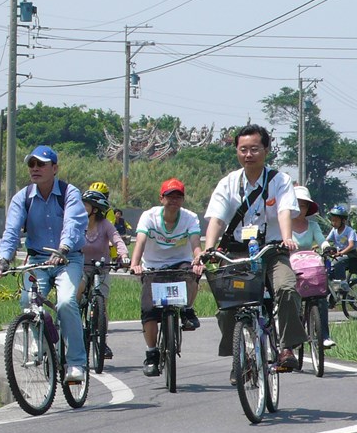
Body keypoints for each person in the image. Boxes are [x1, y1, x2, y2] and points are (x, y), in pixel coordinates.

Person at [202, 123, 307, 379]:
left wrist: (286, 239)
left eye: (254, 149)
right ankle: (239, 354)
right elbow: (216, 218)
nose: (248, 154)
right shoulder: (228, 183)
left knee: (285, 288)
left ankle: (287, 347)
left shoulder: (279, 180)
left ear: (266, 150)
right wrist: (208, 249)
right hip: (237, 253)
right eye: (243, 149)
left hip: (271, 250)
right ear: (237, 151)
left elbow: (284, 211)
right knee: (228, 304)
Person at [0, 145, 88, 383]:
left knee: (66, 302)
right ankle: (43, 341)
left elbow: (73, 225)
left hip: (68, 258)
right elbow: (11, 231)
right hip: (37, 260)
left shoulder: (69, 193)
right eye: (31, 165)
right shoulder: (22, 197)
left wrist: (63, 249)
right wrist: (4, 258)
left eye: (41, 164)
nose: (35, 169)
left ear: (54, 168)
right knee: (28, 302)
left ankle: (76, 364)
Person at [131, 178, 204, 377]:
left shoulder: (190, 218)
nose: (174, 200)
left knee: (192, 274)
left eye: (178, 196)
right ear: (161, 198)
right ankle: (152, 353)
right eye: (170, 196)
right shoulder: (149, 216)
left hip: (179, 262)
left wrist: (198, 259)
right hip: (153, 266)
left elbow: (195, 242)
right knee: (149, 309)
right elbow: (141, 240)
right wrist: (135, 263)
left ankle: (188, 310)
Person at [79, 189, 130, 360]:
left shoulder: (105, 225)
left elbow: (117, 240)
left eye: (85, 205)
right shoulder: (78, 223)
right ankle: (74, 329)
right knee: (76, 297)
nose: (81, 207)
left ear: (94, 209)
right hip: (82, 267)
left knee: (102, 303)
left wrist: (124, 256)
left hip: (102, 267)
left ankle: (102, 340)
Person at [291, 185, 334, 349]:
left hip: (310, 267)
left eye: (303, 205)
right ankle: (292, 334)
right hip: (291, 268)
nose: (299, 209)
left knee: (321, 298)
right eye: (296, 204)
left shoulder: (313, 225)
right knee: (290, 297)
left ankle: (324, 336)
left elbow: (321, 240)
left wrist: (326, 247)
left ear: (308, 208)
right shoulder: (285, 224)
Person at [322, 204, 357, 280]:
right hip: (338, 254)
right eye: (332, 220)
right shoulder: (334, 230)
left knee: (338, 262)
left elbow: (351, 245)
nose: (333, 223)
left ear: (343, 221)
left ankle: (342, 284)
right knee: (326, 267)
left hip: (350, 255)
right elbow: (326, 240)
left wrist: (341, 253)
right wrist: (317, 245)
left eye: (336, 221)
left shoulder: (349, 231)